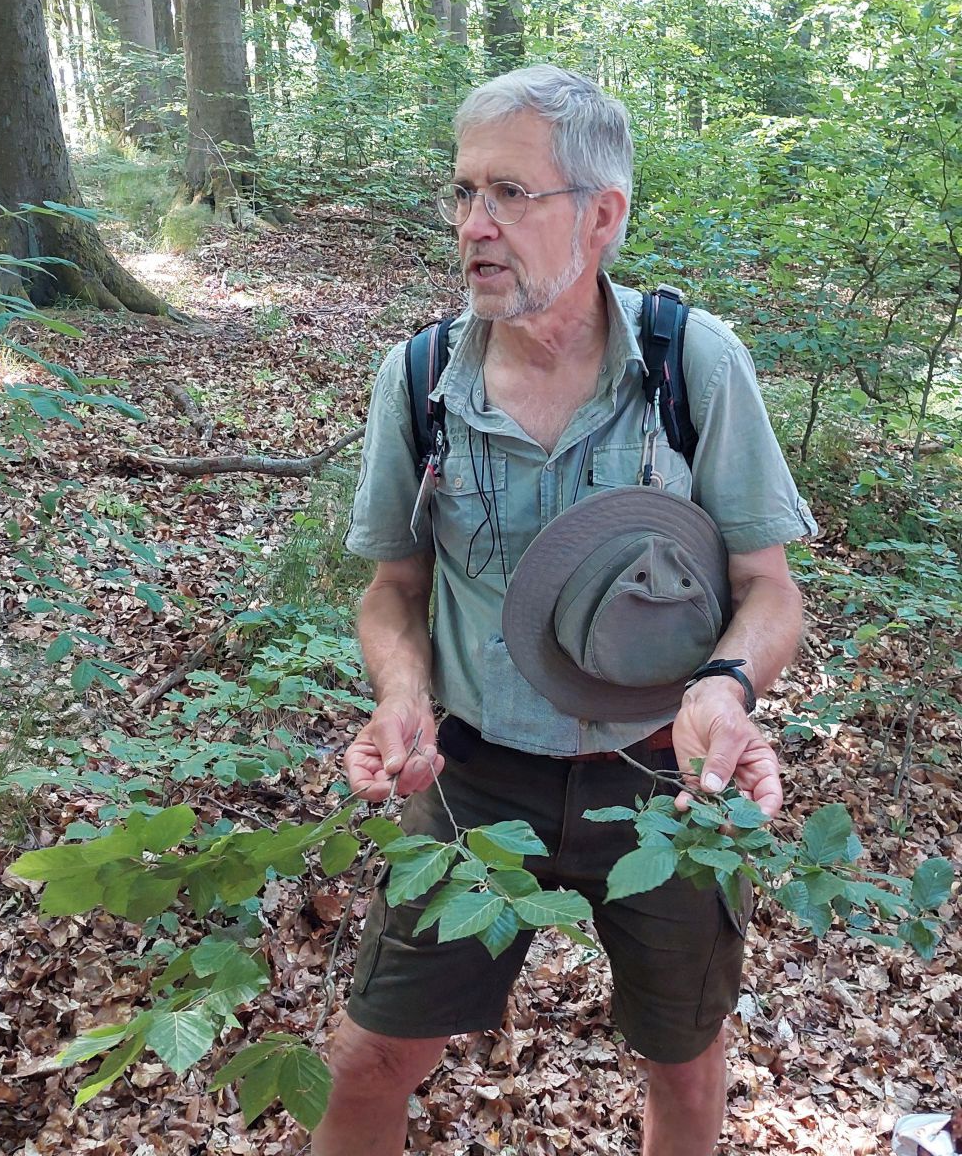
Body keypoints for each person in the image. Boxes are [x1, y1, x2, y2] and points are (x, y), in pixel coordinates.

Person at [311, 65, 817, 1156]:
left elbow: (768, 587)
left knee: (683, 1073)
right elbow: (392, 588)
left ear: (601, 215)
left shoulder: (690, 364)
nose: (472, 226)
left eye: (507, 193)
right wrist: (400, 696)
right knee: (368, 1065)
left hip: (664, 782)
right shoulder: (418, 380)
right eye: (459, 194)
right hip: (473, 775)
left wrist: (726, 689)